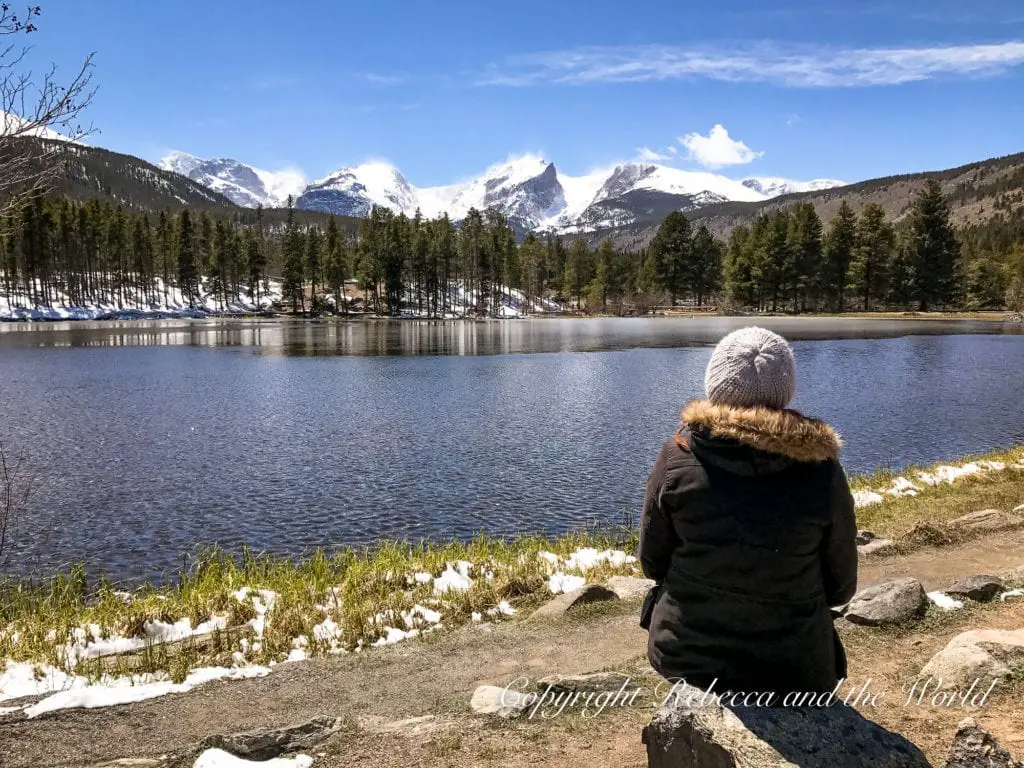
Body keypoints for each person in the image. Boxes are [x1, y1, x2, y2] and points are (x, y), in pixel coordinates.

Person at [639, 326, 857, 698]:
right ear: (784, 389)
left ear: (716, 385)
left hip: (688, 653)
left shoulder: (677, 457)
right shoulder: (821, 470)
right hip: (797, 664)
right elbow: (840, 588)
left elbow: (652, 563)